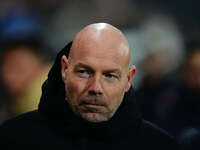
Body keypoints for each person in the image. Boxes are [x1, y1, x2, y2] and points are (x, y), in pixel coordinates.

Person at [0, 23, 180, 149]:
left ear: (128, 80)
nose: (95, 87)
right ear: (65, 69)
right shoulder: (12, 139)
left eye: (109, 75)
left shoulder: (161, 146)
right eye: (84, 72)